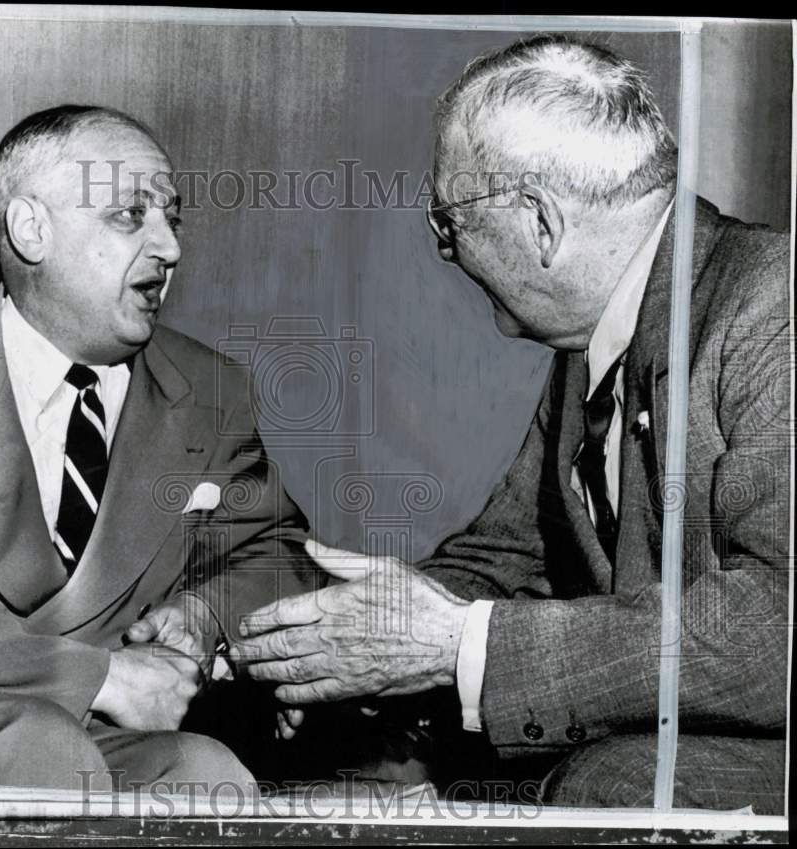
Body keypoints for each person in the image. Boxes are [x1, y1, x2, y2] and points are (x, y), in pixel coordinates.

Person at [234, 35, 790, 813]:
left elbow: (778, 628)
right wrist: (335, 641)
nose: (445, 252)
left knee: (615, 780)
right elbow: (508, 556)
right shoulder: (598, 335)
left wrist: (454, 645)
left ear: (541, 222)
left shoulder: (775, 304)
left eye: (448, 224)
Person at [0, 105, 315, 800]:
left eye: (171, 217)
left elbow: (276, 552)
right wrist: (103, 676)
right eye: (130, 216)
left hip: (83, 735)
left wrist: (203, 615)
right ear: (31, 230)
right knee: (41, 751)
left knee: (204, 774)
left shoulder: (211, 390)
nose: (170, 246)